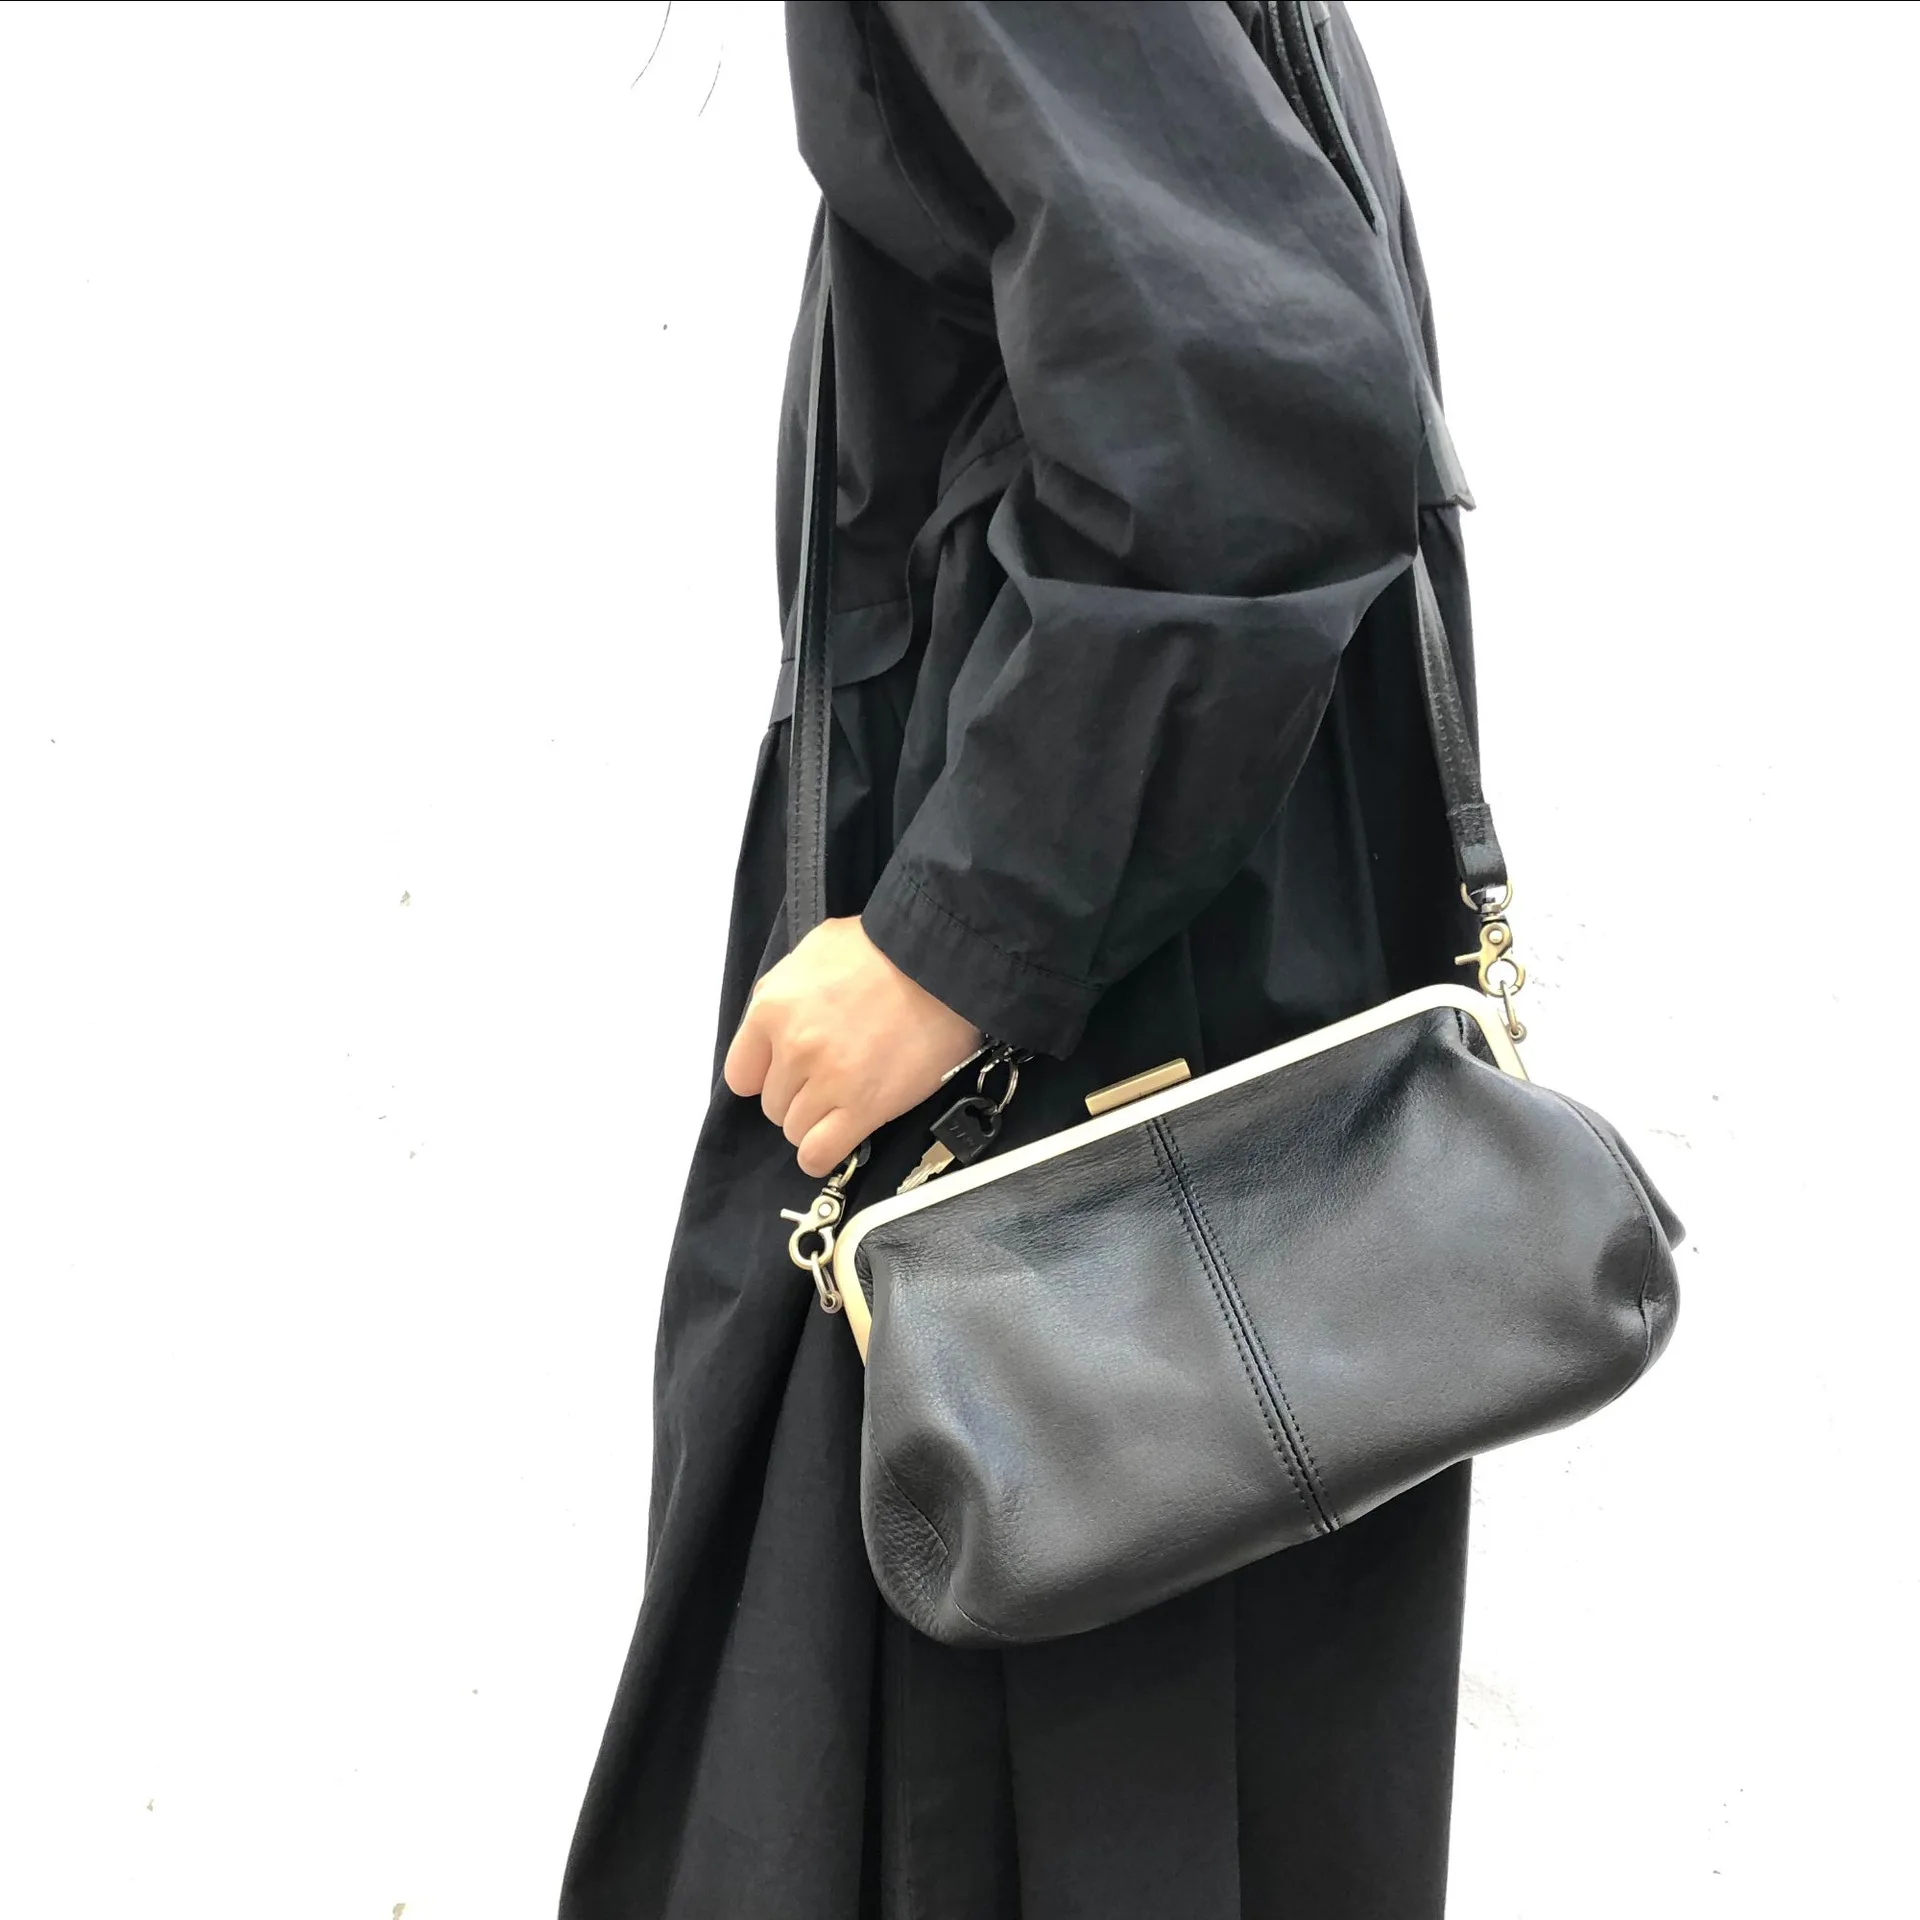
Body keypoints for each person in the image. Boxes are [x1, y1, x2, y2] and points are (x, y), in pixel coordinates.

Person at [561, 4, 1485, 1914]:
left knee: (982, 1799)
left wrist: (954, 945)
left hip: (1082, 1023)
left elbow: (1246, 392)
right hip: (1163, 950)